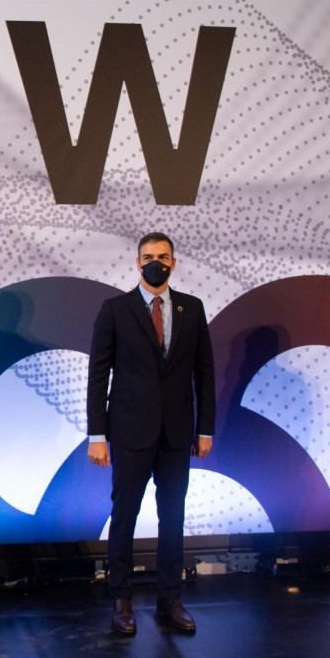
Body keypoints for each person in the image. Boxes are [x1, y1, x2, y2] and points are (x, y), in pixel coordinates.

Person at [86, 233, 215, 635]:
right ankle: (121, 599)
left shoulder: (191, 308)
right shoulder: (115, 310)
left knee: (172, 517)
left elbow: (204, 372)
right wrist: (96, 434)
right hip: (128, 431)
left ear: (174, 262)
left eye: (163, 256)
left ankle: (169, 600)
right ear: (136, 263)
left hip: (177, 433)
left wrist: (205, 428)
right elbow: (98, 374)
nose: (155, 262)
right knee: (124, 516)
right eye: (148, 257)